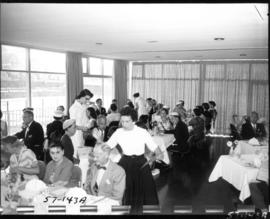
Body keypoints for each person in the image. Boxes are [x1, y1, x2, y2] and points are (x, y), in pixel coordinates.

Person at [106, 107, 163, 214]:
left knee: (148, 192)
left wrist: (155, 157)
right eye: (122, 121)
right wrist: (99, 142)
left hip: (140, 162)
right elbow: (107, 146)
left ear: (134, 121)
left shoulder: (142, 132)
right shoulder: (119, 132)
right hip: (125, 162)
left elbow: (156, 149)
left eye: (127, 121)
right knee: (124, 191)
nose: (123, 124)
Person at [69, 89, 93, 159]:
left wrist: (89, 121)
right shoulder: (73, 108)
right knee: (76, 155)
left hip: (83, 134)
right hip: (76, 135)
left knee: (82, 155)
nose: (87, 101)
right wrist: (82, 128)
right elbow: (72, 125)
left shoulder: (84, 106)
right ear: (81, 97)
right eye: (86, 99)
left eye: (89, 99)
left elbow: (85, 120)